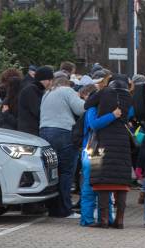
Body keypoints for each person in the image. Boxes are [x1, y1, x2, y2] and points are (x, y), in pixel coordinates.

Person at [84, 74, 135, 229]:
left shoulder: (102, 95)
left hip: (102, 143)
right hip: (122, 144)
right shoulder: (128, 98)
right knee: (121, 181)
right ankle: (119, 221)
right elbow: (131, 114)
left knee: (102, 180)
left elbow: (88, 108)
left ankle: (104, 220)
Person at [40, 77, 85, 218]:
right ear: (67, 83)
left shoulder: (47, 93)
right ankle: (65, 209)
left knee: (52, 172)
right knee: (66, 172)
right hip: (63, 132)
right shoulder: (67, 90)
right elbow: (81, 109)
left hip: (44, 132)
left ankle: (52, 209)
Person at [79, 84, 121, 226]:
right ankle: (87, 219)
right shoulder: (92, 109)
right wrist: (112, 115)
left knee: (104, 186)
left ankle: (105, 218)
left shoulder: (100, 108)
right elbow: (94, 125)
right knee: (91, 186)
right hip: (93, 151)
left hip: (99, 151)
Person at [18, 66, 53, 136]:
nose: (51, 83)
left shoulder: (37, 90)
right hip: (29, 131)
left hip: (32, 129)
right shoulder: (31, 90)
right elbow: (38, 111)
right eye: (50, 80)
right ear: (45, 80)